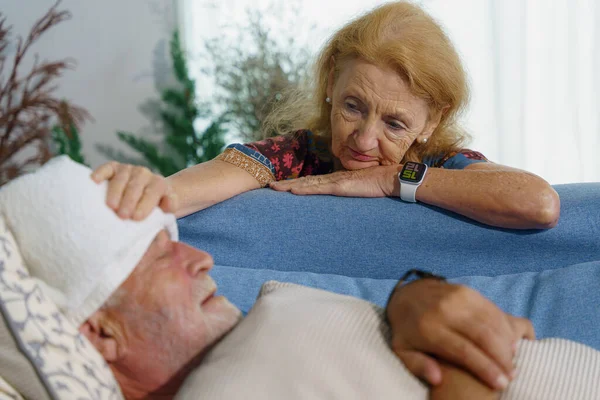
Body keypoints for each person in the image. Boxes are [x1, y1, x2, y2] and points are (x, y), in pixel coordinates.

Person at [0, 156, 533, 400]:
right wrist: (465, 372)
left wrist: (416, 294)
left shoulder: (264, 321)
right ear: (101, 333)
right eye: (161, 257)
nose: (202, 259)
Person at [92, 1, 559, 230]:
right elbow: (180, 193)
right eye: (354, 107)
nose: (363, 139)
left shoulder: (437, 164)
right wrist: (149, 190)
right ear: (332, 82)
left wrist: (390, 179)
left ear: (433, 121)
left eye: (394, 124)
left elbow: (539, 203)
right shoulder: (297, 155)